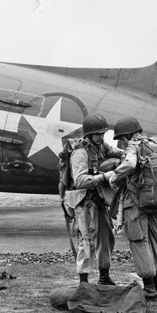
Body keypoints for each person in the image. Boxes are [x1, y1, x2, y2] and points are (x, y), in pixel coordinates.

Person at [109, 117, 157, 300]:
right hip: (155, 201)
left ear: (127, 135)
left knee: (139, 242)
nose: (121, 143)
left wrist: (113, 177)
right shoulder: (156, 144)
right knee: (155, 241)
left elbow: (129, 164)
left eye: (121, 138)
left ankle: (149, 289)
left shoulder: (134, 146)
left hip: (136, 203)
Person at [66, 113, 124, 285]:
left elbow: (117, 152)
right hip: (84, 202)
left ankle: (104, 276)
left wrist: (130, 154)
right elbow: (80, 181)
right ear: (89, 135)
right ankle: (83, 281)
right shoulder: (80, 153)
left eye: (103, 133)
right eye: (98, 134)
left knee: (107, 237)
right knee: (87, 241)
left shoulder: (101, 147)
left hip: (98, 200)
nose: (101, 137)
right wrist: (104, 176)